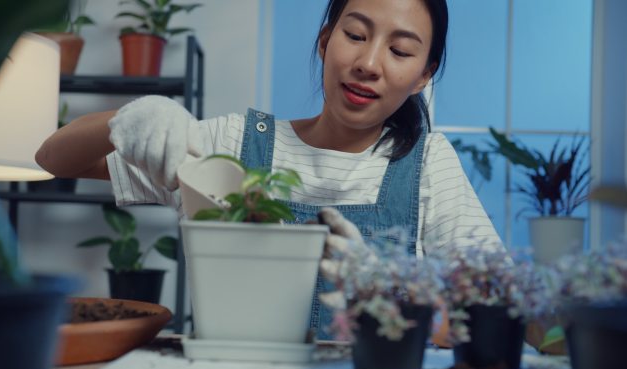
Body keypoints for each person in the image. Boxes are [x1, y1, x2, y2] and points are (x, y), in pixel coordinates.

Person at [36, 0, 503, 341]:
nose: (368, 63)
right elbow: (54, 158)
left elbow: (493, 307)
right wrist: (130, 118)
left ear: (425, 74)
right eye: (355, 35)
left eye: (400, 51)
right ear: (325, 42)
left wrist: (392, 303)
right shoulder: (235, 142)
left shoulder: (427, 163)